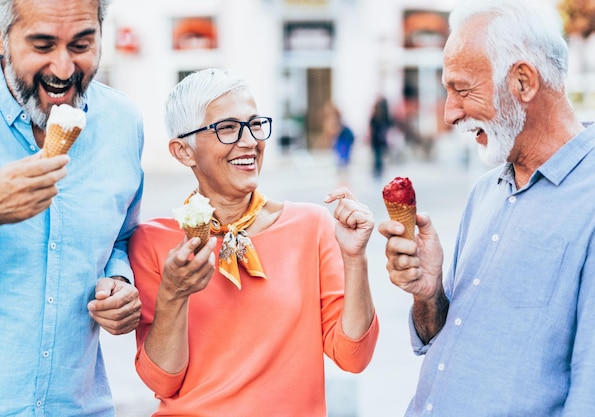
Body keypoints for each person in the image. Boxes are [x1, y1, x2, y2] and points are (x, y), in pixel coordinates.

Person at [378, 1, 595, 416]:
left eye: (462, 89)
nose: (449, 112)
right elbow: (446, 336)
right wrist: (428, 293)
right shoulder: (486, 190)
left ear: (523, 81)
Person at [129, 68, 379, 416]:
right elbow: (162, 381)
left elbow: (353, 357)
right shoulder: (152, 242)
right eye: (227, 128)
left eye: (254, 124)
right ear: (183, 152)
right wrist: (174, 293)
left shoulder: (311, 226)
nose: (249, 141)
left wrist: (355, 259)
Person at [0, 0, 144, 415]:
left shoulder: (122, 123)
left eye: (81, 45)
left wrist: (118, 281)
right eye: (42, 45)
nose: (63, 69)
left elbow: (120, 235)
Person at [369, 96, 392, 178]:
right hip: (376, 141)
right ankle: (377, 171)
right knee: (377, 157)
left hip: (381, 141)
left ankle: (379, 171)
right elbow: (371, 130)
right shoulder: (375, 118)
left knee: (380, 157)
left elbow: (389, 127)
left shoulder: (384, 117)